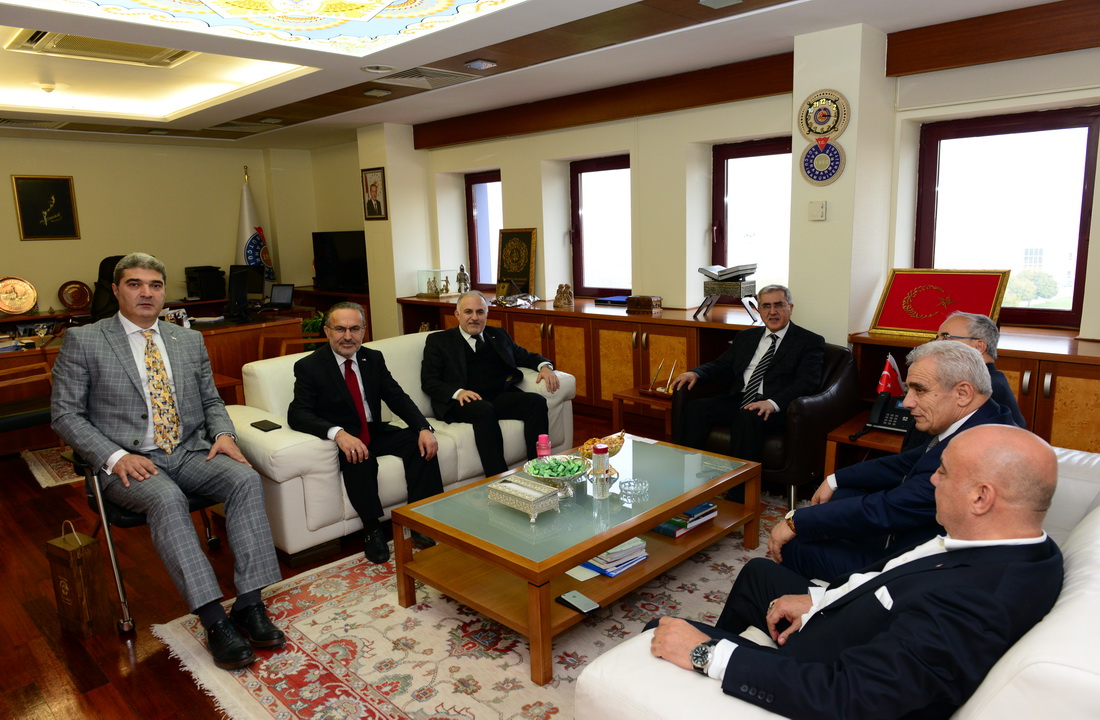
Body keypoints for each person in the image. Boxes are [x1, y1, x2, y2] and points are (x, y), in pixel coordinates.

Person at [650, 425, 1063, 720]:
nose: (933, 480)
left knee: (659, 632)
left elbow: (852, 696)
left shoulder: (976, 601)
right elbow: (898, 581)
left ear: (980, 497)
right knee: (759, 573)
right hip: (840, 624)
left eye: (944, 472)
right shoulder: (1019, 548)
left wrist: (708, 655)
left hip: (818, 672)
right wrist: (818, 600)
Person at [51, 253, 284, 671]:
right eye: (135, 284)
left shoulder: (187, 339)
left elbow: (211, 400)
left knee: (244, 479)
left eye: (155, 285)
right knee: (167, 499)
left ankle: (249, 604)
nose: (146, 293)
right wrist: (115, 456)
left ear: (164, 293)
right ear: (117, 290)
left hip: (188, 451)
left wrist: (224, 435)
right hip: (128, 461)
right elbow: (66, 415)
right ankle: (214, 621)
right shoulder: (85, 340)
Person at [770, 341, 1016, 581]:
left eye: (920, 390)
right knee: (840, 495)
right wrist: (835, 479)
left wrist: (796, 522)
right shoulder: (984, 419)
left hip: (915, 568)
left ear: (962, 393)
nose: (907, 402)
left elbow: (888, 508)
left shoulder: (976, 452)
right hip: (913, 531)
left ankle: (818, 603)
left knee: (794, 546)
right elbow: (905, 463)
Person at [288, 302, 443, 564]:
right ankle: (372, 530)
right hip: (345, 437)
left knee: (420, 445)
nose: (348, 336)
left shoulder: (372, 358)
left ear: (363, 331)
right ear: (327, 331)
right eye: (340, 329)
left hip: (373, 430)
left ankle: (420, 520)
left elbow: (397, 397)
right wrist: (337, 433)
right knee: (360, 459)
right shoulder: (310, 366)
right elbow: (298, 413)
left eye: (355, 329)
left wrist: (423, 428)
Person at [671, 284, 824, 500]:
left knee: (748, 417)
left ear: (790, 308)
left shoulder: (809, 341)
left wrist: (772, 402)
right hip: (740, 398)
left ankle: (739, 497)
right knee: (697, 408)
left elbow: (807, 382)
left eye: (779, 305)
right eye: (766, 306)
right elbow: (722, 365)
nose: (772, 311)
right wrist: (695, 373)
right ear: (759, 310)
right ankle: (681, 480)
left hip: (777, 408)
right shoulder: (746, 337)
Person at [421, 290, 559, 476]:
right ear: (457, 314)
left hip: (497, 396)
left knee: (536, 402)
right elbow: (429, 380)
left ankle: (538, 468)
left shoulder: (498, 335)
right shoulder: (439, 341)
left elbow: (525, 356)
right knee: (484, 410)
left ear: (487, 314)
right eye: (468, 312)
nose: (474, 317)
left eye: (480, 312)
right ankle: (498, 477)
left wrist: (545, 367)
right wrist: (458, 392)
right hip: (460, 402)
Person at [901, 311, 1027, 451]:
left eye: (946, 338)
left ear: (979, 347)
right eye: (937, 338)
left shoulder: (984, 387)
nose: (936, 344)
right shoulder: (992, 379)